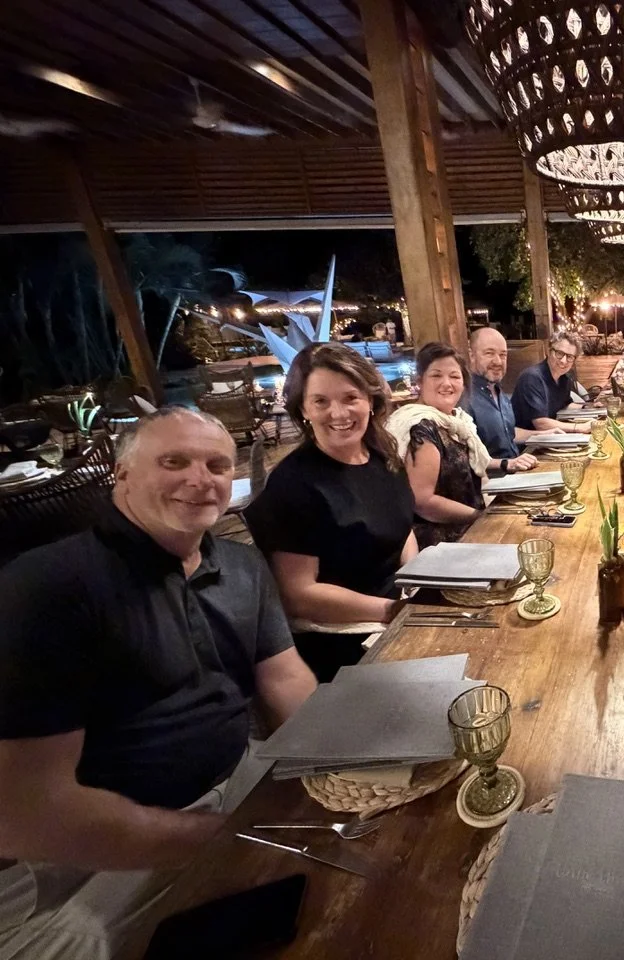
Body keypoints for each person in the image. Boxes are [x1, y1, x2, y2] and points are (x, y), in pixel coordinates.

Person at [0, 408, 316, 959]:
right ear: (122, 475)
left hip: (238, 782)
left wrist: (328, 773)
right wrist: (219, 840)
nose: (200, 479)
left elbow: (285, 677)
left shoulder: (241, 565)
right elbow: (28, 812)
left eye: (217, 464)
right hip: (89, 856)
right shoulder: (48, 585)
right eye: (174, 461)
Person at [245, 343, 417, 682]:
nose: (338, 413)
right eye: (321, 401)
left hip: (400, 609)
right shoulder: (294, 484)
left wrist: (416, 580)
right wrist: (392, 610)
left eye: (350, 398)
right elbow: (298, 595)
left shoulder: (383, 457)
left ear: (370, 400)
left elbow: (403, 528)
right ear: (303, 409)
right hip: (342, 639)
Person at [389, 342, 535, 548]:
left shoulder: (457, 421)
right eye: (436, 375)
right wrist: (482, 517)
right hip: (443, 542)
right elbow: (423, 502)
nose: (447, 383)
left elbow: (472, 463)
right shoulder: (421, 429)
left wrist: (506, 465)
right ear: (420, 381)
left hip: (469, 526)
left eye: (455, 376)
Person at [463, 326, 552, 461]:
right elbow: (466, 459)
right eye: (489, 353)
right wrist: (508, 464)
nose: (498, 361)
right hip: (493, 479)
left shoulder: (500, 394)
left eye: (503, 355)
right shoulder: (464, 398)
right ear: (472, 355)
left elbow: (508, 434)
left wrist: (543, 435)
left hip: (516, 471)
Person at [511, 332, 593, 434]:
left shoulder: (564, 378)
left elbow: (565, 405)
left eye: (570, 357)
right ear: (548, 351)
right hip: (528, 445)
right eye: (559, 353)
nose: (564, 361)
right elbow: (540, 423)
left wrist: (588, 407)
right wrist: (578, 427)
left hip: (551, 438)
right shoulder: (532, 377)